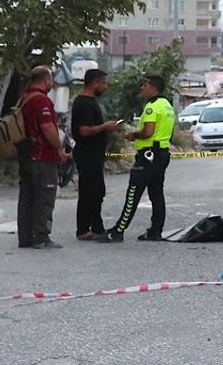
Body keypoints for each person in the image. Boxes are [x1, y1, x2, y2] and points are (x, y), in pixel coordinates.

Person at [100, 74, 174, 242]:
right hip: (162, 153)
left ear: (153, 87)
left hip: (148, 155)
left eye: (145, 85)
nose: (142, 88)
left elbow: (148, 132)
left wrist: (134, 135)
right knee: (156, 193)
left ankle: (118, 230)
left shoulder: (152, 107)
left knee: (133, 192)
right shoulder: (167, 105)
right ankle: (156, 231)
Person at [18, 65, 68, 249]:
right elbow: (47, 128)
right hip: (42, 156)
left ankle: (25, 237)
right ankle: (41, 237)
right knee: (45, 197)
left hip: (27, 156)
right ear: (46, 79)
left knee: (27, 197)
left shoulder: (24, 98)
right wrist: (59, 149)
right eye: (51, 80)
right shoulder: (41, 101)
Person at [70, 69, 120, 240]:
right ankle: (83, 229)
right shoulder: (83, 103)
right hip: (87, 155)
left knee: (97, 191)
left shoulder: (90, 102)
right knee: (89, 192)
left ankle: (96, 227)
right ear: (95, 82)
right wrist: (104, 127)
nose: (105, 87)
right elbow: (84, 131)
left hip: (95, 154)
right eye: (103, 83)